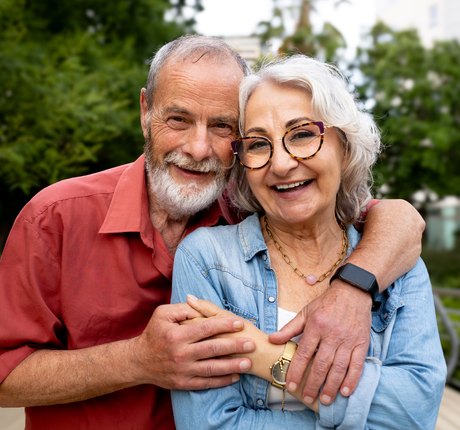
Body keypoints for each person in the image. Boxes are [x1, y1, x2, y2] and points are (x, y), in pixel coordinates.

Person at [0, 36, 424, 429]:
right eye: (179, 119)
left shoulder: (258, 209)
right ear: (146, 112)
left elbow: (399, 221)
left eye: (221, 126)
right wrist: (137, 360)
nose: (198, 148)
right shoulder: (55, 217)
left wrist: (353, 288)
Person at [170, 55, 446, 429]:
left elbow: (416, 412)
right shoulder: (205, 259)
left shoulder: (399, 265)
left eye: (301, 135)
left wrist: (265, 356)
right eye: (257, 144)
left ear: (345, 146)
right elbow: (208, 424)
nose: (281, 164)